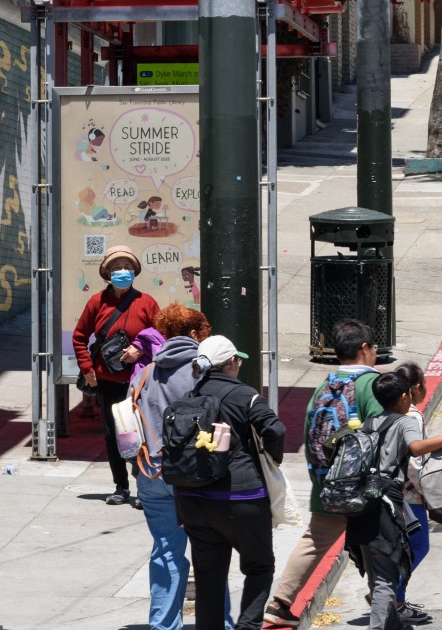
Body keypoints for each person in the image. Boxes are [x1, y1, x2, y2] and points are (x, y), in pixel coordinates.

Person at [265, 319, 387, 628]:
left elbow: (310, 436)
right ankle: (385, 600)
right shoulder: (370, 384)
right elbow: (384, 432)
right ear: (364, 348)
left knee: (314, 541)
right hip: (363, 485)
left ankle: (280, 602)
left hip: (327, 482)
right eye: (374, 348)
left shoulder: (325, 386)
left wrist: (322, 479)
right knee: (379, 539)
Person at [347, 373, 442, 630]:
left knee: (377, 573)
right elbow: (416, 448)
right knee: (386, 576)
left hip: (362, 504)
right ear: (405, 396)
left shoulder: (369, 422)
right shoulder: (405, 422)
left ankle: (394, 625)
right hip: (386, 504)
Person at [175, 335, 286, 630]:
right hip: (242, 498)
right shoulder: (246, 396)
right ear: (232, 363)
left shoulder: (189, 398)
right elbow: (274, 430)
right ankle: (247, 626)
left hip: (193, 500)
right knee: (260, 566)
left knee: (208, 578)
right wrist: (273, 460)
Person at [131, 304, 229, 630]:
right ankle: (220, 624)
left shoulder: (144, 373)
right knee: (210, 552)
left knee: (165, 550)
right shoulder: (202, 373)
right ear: (193, 334)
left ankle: (163, 625)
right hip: (195, 475)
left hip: (152, 471)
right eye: (203, 332)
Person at [71, 244, 160, 505]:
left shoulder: (147, 302)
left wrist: (139, 347)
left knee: (143, 433)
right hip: (107, 382)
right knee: (114, 435)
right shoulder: (97, 302)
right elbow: (79, 337)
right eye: (117, 267)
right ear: (107, 272)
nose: (123, 271)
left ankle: (145, 486)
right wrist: (87, 370)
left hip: (140, 381)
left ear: (135, 271)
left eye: (127, 267)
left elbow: (159, 336)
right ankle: (121, 487)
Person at [393, 361, 433, 625]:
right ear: (416, 388)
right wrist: (428, 493)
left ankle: (397, 596)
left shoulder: (390, 412)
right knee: (419, 546)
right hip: (410, 495)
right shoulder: (413, 416)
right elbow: (416, 461)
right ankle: (391, 597)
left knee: (405, 547)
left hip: (394, 494)